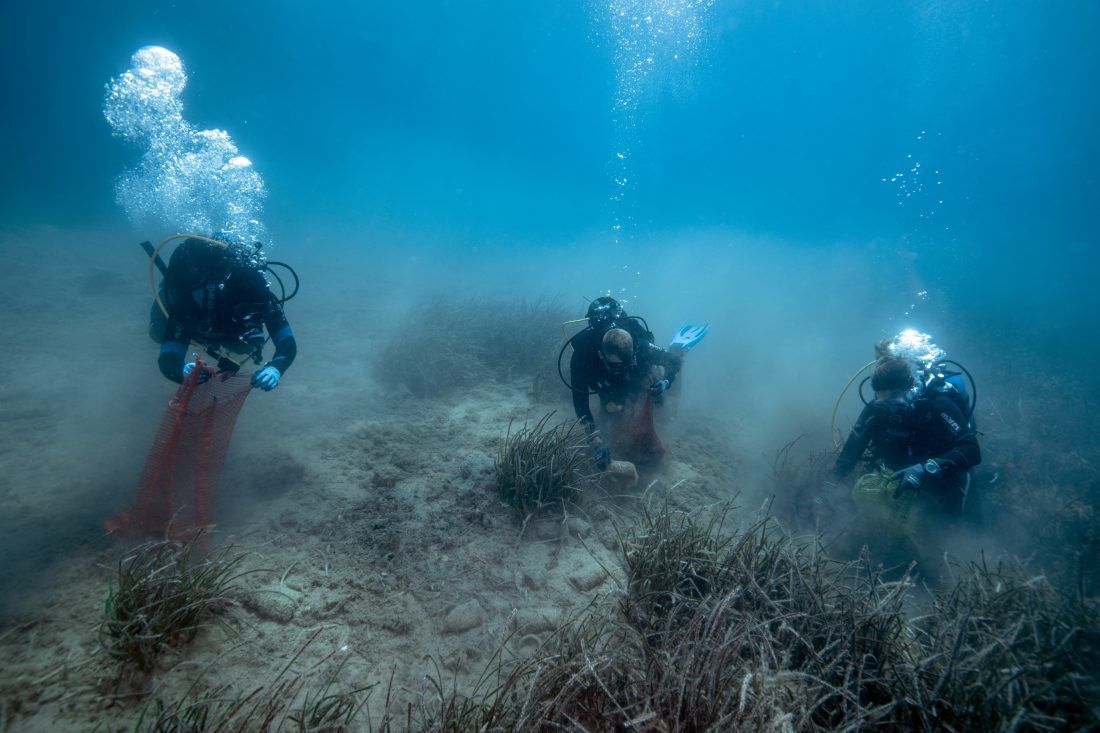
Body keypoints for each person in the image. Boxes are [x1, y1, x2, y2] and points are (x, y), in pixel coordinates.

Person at [565, 296, 708, 469]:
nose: (624, 368)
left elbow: (673, 363)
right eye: (619, 366)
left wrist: (665, 382)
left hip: (638, 376)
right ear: (602, 355)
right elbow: (581, 404)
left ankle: (677, 348)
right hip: (606, 384)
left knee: (667, 412)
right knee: (610, 415)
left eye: (629, 361)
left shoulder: (641, 346)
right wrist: (595, 441)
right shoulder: (582, 358)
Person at [832, 355, 980, 515]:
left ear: (910, 390)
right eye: (883, 403)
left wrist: (927, 469)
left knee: (952, 524)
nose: (891, 411)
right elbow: (848, 457)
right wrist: (826, 492)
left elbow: (971, 450)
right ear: (876, 396)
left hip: (940, 474)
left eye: (896, 401)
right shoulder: (875, 410)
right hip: (898, 477)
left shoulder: (937, 403)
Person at [149, 235, 297, 390]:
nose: (255, 321)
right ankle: (163, 291)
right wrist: (180, 371)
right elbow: (170, 353)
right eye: (248, 314)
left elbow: (287, 344)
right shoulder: (194, 300)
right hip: (193, 305)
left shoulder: (265, 302)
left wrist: (276, 368)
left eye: (259, 313)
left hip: (223, 323)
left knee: (244, 347)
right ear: (230, 304)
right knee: (158, 333)